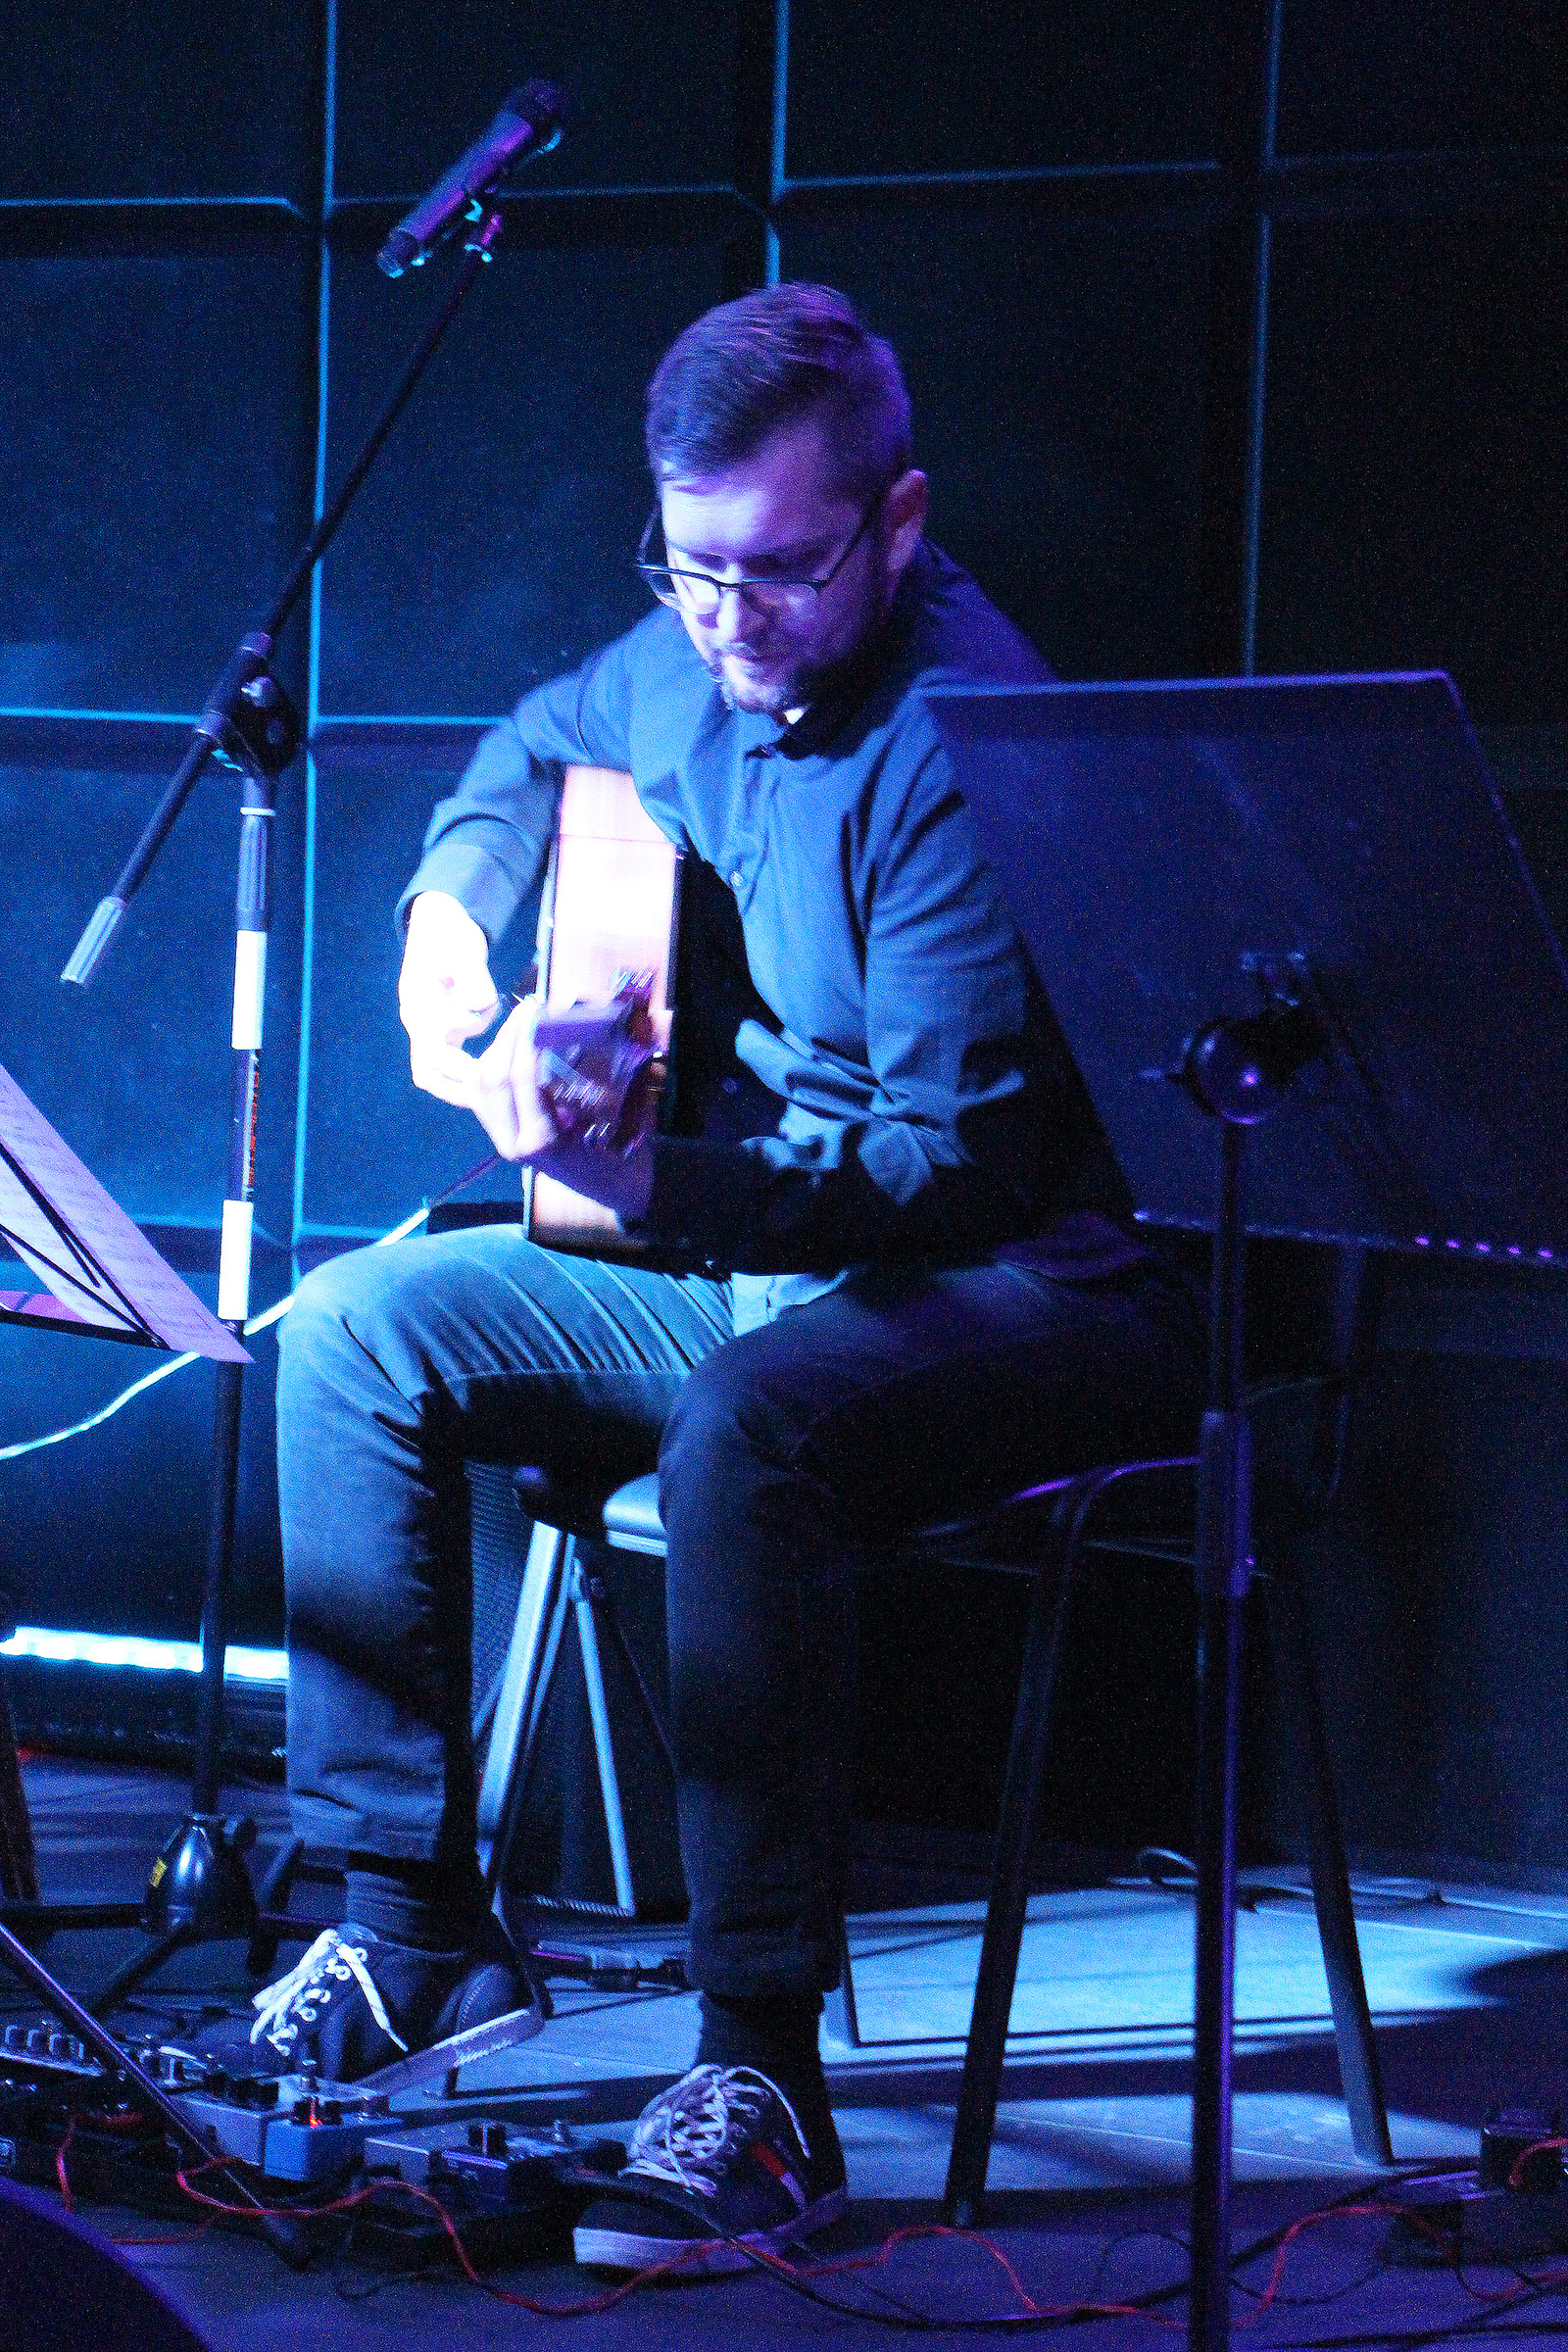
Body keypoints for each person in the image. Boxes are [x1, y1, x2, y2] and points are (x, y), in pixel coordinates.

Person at [190, 284, 1205, 2273]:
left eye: (774, 572)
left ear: (896, 522)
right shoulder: (698, 646)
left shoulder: (958, 743)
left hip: (1035, 1287)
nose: (724, 621)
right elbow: (533, 745)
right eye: (688, 567)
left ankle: (760, 2078)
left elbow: (945, 1167)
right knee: (358, 1332)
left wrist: (648, 1177)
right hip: (769, 1254)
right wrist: (447, 918)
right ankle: (406, 1930)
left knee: (752, 1430)